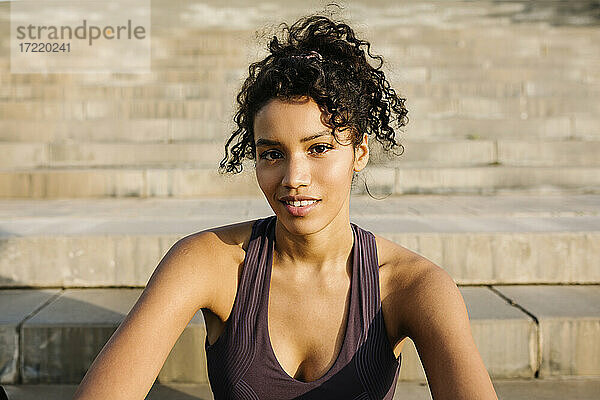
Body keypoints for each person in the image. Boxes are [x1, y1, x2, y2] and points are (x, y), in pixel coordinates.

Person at [73, 13, 498, 400]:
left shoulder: (413, 286)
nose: (294, 178)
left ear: (360, 152)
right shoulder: (207, 262)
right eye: (272, 153)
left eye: (319, 148)